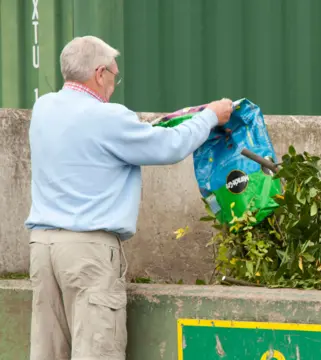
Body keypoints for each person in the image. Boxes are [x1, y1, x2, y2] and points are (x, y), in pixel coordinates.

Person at [24, 35, 232, 360]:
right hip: (87, 251)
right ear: (99, 73)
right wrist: (210, 116)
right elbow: (170, 147)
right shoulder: (109, 118)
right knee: (96, 351)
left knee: (48, 353)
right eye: (114, 76)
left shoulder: (44, 108)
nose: (114, 84)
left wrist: (141, 129)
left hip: (42, 249)